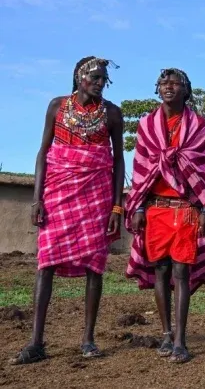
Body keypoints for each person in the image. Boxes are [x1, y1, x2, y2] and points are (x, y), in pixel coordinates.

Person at [10, 57, 124, 365]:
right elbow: (43, 153)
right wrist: (37, 200)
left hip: (97, 197)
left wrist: (117, 206)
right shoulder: (57, 107)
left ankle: (88, 339)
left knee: (94, 265)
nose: (100, 82)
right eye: (95, 77)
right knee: (45, 263)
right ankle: (36, 342)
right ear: (78, 77)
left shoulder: (112, 113)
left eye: (104, 78)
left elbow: (118, 162)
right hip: (57, 195)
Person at [125, 68, 205, 364]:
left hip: (186, 209)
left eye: (175, 83)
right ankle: (166, 334)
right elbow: (140, 169)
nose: (168, 87)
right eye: (163, 82)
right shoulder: (147, 126)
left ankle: (180, 339)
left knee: (181, 273)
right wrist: (138, 208)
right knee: (160, 271)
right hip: (155, 208)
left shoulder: (199, 127)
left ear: (186, 90)